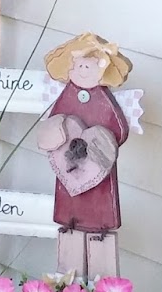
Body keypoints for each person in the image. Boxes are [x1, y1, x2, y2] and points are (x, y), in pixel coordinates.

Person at [37, 33, 133, 279]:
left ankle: (102, 289)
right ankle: (67, 279)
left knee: (100, 227)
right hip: (69, 166)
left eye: (88, 66)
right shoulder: (67, 95)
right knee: (70, 228)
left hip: (98, 170)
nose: (82, 70)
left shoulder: (103, 99)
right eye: (78, 65)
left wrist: (102, 144)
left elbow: (118, 130)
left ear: (101, 69)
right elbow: (55, 120)